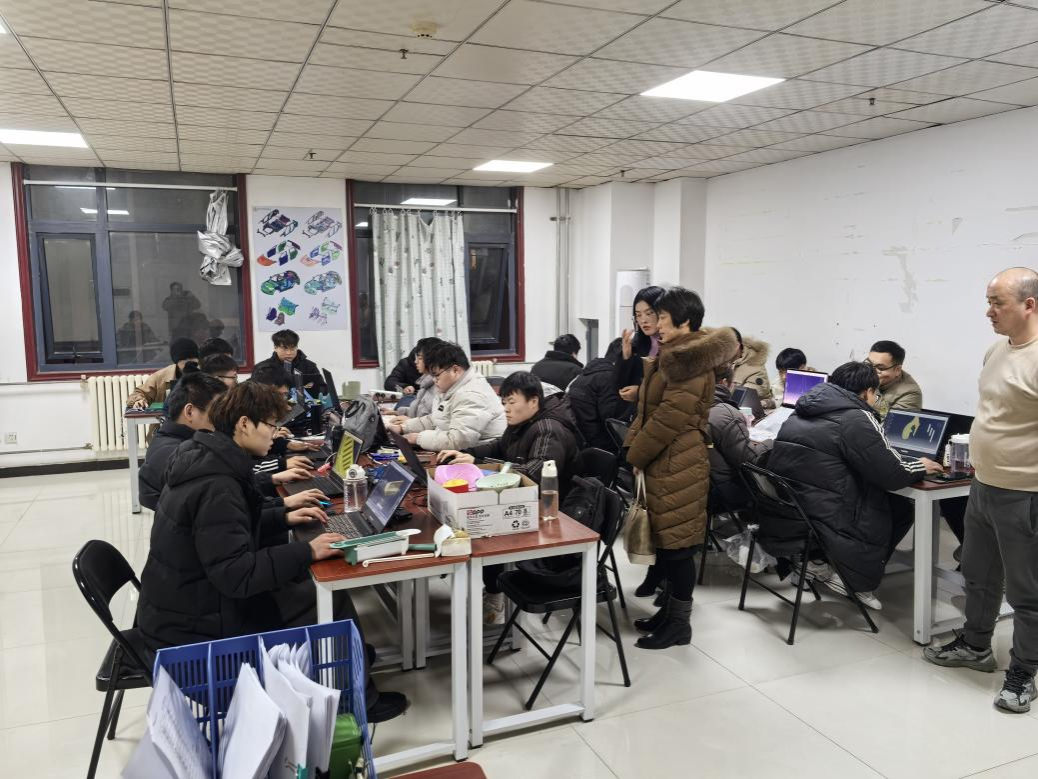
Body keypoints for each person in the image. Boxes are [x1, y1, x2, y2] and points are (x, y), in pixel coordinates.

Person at [137, 381, 408, 722]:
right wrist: (308, 551)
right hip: (197, 630)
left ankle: (348, 656)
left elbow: (226, 528)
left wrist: (283, 516)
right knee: (324, 593)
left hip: (184, 607)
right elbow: (238, 575)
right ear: (244, 424)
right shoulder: (217, 484)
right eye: (269, 425)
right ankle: (359, 700)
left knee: (300, 577)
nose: (275, 433)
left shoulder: (204, 457)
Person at [924, 267, 1038, 715]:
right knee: (978, 575)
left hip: (1025, 494)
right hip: (983, 485)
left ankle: (1024, 672)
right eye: (988, 302)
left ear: (1029, 305)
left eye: (997, 303)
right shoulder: (997, 349)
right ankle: (975, 646)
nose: (988, 311)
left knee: (1027, 593)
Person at [765, 361, 942, 611]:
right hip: (826, 512)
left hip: (793, 507)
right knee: (900, 507)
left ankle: (818, 561)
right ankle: (852, 580)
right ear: (868, 392)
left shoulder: (802, 408)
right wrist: (920, 465)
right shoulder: (856, 417)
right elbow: (891, 475)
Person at [624, 288, 738, 650]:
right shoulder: (674, 355)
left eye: (661, 317)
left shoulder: (689, 362)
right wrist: (634, 450)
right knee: (668, 544)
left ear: (684, 321)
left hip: (679, 462)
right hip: (665, 459)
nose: (655, 324)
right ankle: (668, 615)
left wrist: (636, 456)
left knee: (678, 548)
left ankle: (679, 624)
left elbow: (669, 418)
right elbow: (647, 411)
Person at [437, 371, 583, 625]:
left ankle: (495, 596)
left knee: (485, 532)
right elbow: (499, 447)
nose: (505, 408)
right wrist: (466, 453)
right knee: (477, 519)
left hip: (550, 513)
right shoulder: (523, 423)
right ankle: (493, 590)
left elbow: (536, 473)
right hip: (526, 502)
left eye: (512, 402)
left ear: (533, 401)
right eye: (503, 402)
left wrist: (480, 464)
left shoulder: (548, 429)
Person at [138, 373, 325, 514]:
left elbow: (233, 487)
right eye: (217, 410)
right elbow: (226, 501)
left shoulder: (186, 443)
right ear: (189, 412)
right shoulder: (181, 455)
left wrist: (274, 483)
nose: (223, 415)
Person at [389, 341, 506, 451]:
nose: (434, 380)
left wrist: (418, 438)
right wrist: (403, 428)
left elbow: (459, 440)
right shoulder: (451, 388)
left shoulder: (472, 395)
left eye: (436, 375)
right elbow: (436, 419)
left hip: (480, 456)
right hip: (461, 452)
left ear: (455, 370)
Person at [708, 363, 773, 511]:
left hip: (706, 483)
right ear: (724, 382)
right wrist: (773, 442)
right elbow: (751, 459)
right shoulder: (724, 413)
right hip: (727, 489)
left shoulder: (694, 404)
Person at [568, 338, 628, 452]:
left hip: (582, 441)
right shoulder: (609, 377)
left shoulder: (586, 374)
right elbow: (611, 416)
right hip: (601, 445)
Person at [615, 285, 666, 413]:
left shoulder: (674, 345)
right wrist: (626, 357)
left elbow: (674, 392)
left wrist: (640, 393)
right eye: (638, 315)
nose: (643, 320)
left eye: (649, 313)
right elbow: (618, 387)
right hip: (637, 417)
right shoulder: (637, 344)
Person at [126, 337, 198, 410]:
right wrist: (139, 401)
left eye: (193, 357)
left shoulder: (203, 374)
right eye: (185, 359)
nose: (189, 362)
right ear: (176, 361)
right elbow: (138, 393)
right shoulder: (161, 377)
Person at [253, 329, 327, 397]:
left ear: (297, 347)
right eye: (284, 349)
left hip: (304, 404)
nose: (289, 353)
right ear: (275, 348)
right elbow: (254, 391)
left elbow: (322, 388)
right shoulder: (263, 368)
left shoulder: (309, 366)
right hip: (273, 404)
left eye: (292, 348)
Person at [384, 337, 442, 422]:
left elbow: (433, 418)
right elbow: (389, 383)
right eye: (417, 357)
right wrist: (404, 387)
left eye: (420, 358)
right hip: (412, 401)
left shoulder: (440, 382)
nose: (416, 362)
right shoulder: (405, 364)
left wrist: (408, 422)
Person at [866, 340, 922, 420]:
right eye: (869, 364)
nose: (871, 370)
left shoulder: (911, 393)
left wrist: (874, 390)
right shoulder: (861, 370)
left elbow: (894, 421)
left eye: (880, 368)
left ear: (897, 370)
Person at [732, 329, 775, 409]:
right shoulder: (725, 362)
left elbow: (743, 401)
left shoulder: (755, 367)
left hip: (749, 411)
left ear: (737, 346)